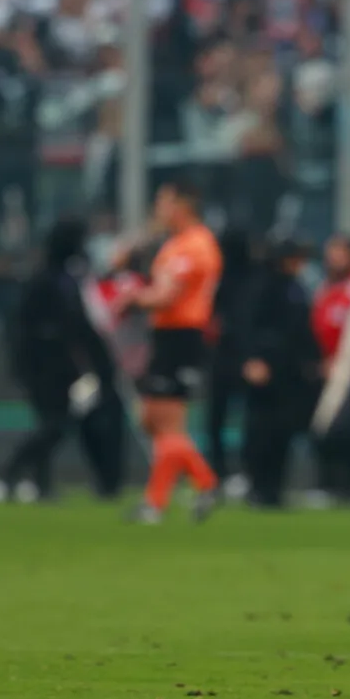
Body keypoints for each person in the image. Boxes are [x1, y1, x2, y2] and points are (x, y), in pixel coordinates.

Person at [115, 178, 223, 524]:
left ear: (181, 204)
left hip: (181, 337)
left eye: (163, 201)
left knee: (166, 422)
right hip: (168, 336)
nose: (158, 209)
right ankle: (200, 483)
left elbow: (166, 296)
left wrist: (132, 298)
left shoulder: (195, 245)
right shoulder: (176, 243)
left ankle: (162, 500)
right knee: (154, 420)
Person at [0, 216, 122, 500]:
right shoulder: (51, 281)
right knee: (56, 423)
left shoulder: (62, 279)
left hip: (63, 369)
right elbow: (55, 326)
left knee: (56, 422)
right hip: (45, 367)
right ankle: (15, 470)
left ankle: (40, 483)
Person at [240, 235, 321, 508]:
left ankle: (274, 488)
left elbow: (302, 330)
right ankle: (257, 486)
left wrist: (313, 360)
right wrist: (253, 359)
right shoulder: (262, 285)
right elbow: (248, 326)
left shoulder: (296, 287)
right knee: (260, 430)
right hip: (265, 369)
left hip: (289, 371)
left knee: (282, 431)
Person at [310, 237, 350, 497]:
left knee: (349, 427)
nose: (332, 258)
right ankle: (327, 483)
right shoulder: (325, 287)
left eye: (339, 252)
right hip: (326, 368)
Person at [205, 229, 256, 494]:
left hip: (226, 356)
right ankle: (241, 472)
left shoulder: (224, 278)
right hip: (241, 355)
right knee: (246, 416)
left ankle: (220, 472)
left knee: (218, 417)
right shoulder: (252, 277)